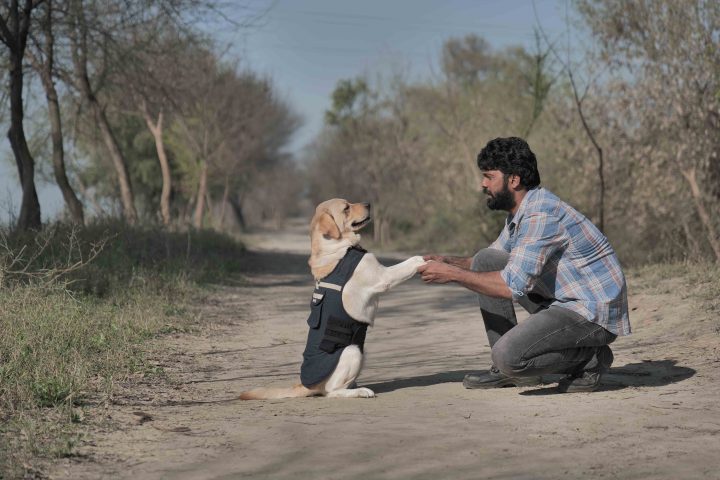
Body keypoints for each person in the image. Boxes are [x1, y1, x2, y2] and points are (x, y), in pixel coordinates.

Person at [417, 137, 630, 393]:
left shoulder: (540, 215)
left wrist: (452, 274)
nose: (483, 184)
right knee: (486, 259)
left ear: (513, 180)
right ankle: (509, 373)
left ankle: (591, 359)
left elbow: (511, 285)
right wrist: (448, 261)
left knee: (509, 356)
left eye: (489, 176)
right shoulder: (522, 211)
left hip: (593, 315)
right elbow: (486, 260)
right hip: (566, 302)